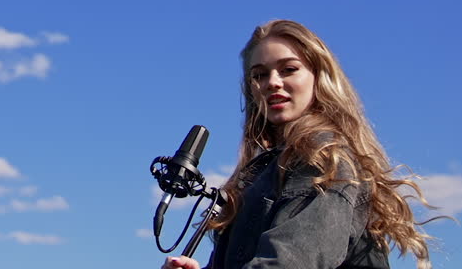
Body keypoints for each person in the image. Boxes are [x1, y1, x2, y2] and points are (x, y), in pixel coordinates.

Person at [162, 20, 436, 269]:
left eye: (289, 69)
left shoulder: (323, 157)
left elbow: (288, 262)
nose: (272, 83)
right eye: (259, 75)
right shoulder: (263, 171)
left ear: (319, 77)